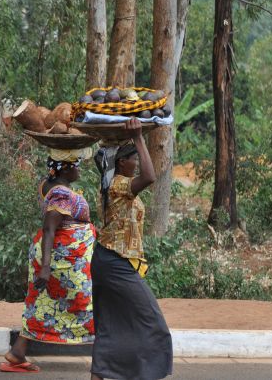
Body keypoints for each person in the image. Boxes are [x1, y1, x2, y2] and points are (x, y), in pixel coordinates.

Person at [90, 118, 173, 380]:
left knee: (111, 325)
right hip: (114, 262)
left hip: (110, 260)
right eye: (133, 158)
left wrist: (137, 140)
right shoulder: (117, 185)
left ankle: (100, 375)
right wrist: (138, 137)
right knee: (152, 322)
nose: (136, 162)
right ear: (120, 162)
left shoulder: (114, 186)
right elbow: (150, 176)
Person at [0, 148, 96, 373]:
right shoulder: (61, 194)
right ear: (67, 168)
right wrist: (46, 268)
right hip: (62, 261)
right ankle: (106, 359)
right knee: (85, 304)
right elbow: (50, 228)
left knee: (41, 303)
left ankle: (17, 354)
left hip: (61, 258)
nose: (80, 169)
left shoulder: (48, 185)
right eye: (77, 164)